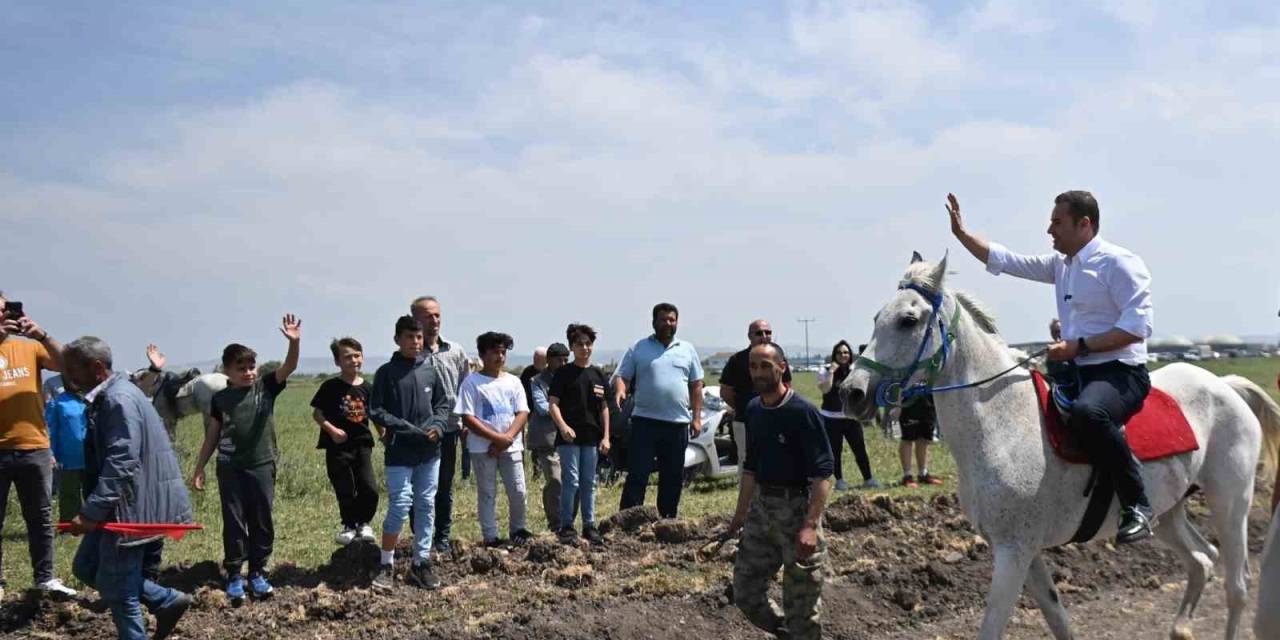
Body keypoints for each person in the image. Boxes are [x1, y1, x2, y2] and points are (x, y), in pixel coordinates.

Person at [948, 191, 1155, 543]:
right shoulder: (1062, 265)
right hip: (1075, 370)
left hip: (1119, 373)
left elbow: (1137, 328)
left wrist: (1080, 346)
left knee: (1090, 414)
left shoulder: (1119, 263)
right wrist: (962, 235)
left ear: (1084, 224)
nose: (1049, 230)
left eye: (1057, 223)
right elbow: (1007, 260)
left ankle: (1137, 504)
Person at [60, 337, 193, 640]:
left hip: (130, 506)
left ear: (95, 368)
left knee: (120, 592)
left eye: (71, 369)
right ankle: (166, 600)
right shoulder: (118, 393)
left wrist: (91, 510)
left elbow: (122, 461)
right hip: (127, 502)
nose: (68, 376)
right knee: (86, 566)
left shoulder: (117, 400)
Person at [725, 342, 833, 640]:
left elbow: (823, 475)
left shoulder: (803, 412)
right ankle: (786, 632)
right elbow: (750, 468)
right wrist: (739, 517)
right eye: (753, 366)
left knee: (802, 609)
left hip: (798, 511)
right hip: (762, 511)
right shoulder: (754, 409)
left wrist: (810, 526)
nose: (758, 372)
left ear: (782, 367)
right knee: (745, 593)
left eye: (765, 365)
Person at [191, 314, 301, 603]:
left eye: (252, 366)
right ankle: (235, 575)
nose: (249, 372)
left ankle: (258, 572)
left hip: (262, 464)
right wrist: (200, 466)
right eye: (241, 368)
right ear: (226, 370)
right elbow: (213, 434)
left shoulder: (265, 388)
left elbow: (289, 367)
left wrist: (294, 343)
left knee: (262, 519)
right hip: (229, 467)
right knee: (235, 521)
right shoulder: (220, 400)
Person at [0, 292, 78, 600]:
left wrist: (43, 335)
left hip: (34, 446)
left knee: (41, 517)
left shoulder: (29, 347)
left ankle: (45, 579)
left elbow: (66, 366)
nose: (3, 314)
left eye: (5, 309)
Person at [369, 316, 452, 591]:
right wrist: (406, 428)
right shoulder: (385, 372)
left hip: (430, 450)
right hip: (399, 451)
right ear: (397, 339)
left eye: (418, 337)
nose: (415, 342)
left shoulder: (430, 369)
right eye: (409, 337)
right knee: (401, 504)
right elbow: (376, 410)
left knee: (426, 504)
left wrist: (438, 428)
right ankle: (386, 564)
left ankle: (421, 563)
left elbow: (443, 404)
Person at [615, 302, 703, 518]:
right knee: (638, 474)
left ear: (677, 322)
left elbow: (696, 385)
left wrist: (697, 418)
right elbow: (622, 376)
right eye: (663, 319)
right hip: (645, 422)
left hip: (677, 423)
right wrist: (620, 390)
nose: (667, 323)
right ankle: (628, 519)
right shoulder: (639, 347)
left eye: (672, 320)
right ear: (654, 322)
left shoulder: (687, 349)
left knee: (672, 476)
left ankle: (667, 520)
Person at [456, 331, 533, 547]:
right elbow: (468, 417)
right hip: (482, 448)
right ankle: (491, 537)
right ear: (482, 355)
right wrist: (497, 438)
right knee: (487, 492)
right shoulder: (472, 382)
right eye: (494, 352)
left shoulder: (514, 382)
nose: (499, 357)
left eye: (503, 352)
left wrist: (506, 439)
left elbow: (522, 413)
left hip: (511, 446)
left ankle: (518, 530)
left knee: (518, 490)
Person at [409, 296, 471, 553]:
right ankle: (420, 535)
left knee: (444, 485)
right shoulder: (410, 354)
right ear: (415, 320)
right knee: (418, 487)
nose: (433, 321)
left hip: (449, 429)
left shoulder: (455, 351)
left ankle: (442, 538)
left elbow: (465, 388)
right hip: (418, 432)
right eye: (427, 316)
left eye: (436, 315)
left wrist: (466, 420)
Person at [311, 337, 378, 546]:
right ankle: (349, 525)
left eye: (357, 355)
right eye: (347, 357)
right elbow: (317, 414)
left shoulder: (368, 387)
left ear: (363, 358)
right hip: (337, 446)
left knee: (369, 487)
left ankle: (364, 522)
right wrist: (332, 430)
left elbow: (375, 415)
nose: (353, 360)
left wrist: (384, 434)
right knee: (344, 487)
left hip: (362, 444)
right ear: (337, 362)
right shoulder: (330, 386)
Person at [549, 324, 610, 545]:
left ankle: (589, 525)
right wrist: (563, 426)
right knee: (571, 481)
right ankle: (566, 525)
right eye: (580, 344)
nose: (585, 348)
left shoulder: (598, 374)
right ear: (572, 347)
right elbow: (553, 404)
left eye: (588, 344)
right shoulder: (564, 374)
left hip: (592, 438)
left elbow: (604, 408)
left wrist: (606, 437)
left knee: (589, 482)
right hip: (569, 439)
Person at [719, 319, 791, 470]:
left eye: (768, 332)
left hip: (775, 419)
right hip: (744, 422)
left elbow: (787, 386)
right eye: (759, 333)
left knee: (775, 459)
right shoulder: (737, 360)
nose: (764, 336)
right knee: (746, 463)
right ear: (749, 336)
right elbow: (725, 391)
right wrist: (744, 407)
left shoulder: (779, 358)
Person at [816, 341, 879, 490]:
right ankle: (839, 481)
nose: (843, 355)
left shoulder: (855, 370)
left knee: (860, 449)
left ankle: (868, 479)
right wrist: (831, 372)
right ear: (834, 355)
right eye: (839, 353)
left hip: (851, 417)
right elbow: (825, 389)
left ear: (850, 355)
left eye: (846, 352)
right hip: (831, 418)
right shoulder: (824, 370)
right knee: (835, 451)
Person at [527, 343, 568, 532]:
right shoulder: (537, 381)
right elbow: (542, 408)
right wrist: (563, 409)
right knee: (555, 480)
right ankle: (554, 523)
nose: (563, 363)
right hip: (547, 439)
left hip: (568, 439)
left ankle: (566, 522)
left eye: (566, 359)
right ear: (549, 361)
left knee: (570, 482)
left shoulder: (571, 378)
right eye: (559, 359)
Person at [45, 387, 88, 522]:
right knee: (69, 494)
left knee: (94, 492)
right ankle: (69, 526)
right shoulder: (58, 402)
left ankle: (95, 525)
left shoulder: (95, 398)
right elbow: (51, 430)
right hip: (69, 457)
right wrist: (51, 453)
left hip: (93, 456)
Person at [895, 396, 943, 488]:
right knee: (907, 438)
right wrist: (898, 404)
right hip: (909, 400)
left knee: (924, 438)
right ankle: (907, 476)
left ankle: (923, 474)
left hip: (928, 400)